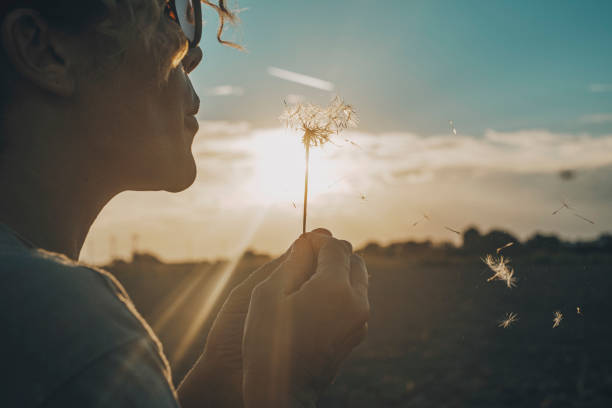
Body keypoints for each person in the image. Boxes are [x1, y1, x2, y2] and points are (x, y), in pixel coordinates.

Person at [0, 0, 370, 407]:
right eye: (163, 12)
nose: (191, 53)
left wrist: (226, 371)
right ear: (43, 50)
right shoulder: (63, 329)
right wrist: (286, 385)